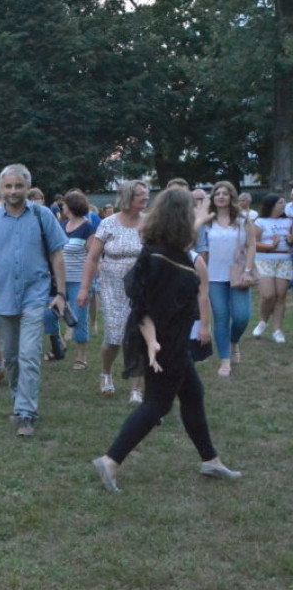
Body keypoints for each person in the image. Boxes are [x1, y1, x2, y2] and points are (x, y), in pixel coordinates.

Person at [92, 188, 242, 492]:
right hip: (165, 344)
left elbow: (181, 244)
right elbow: (142, 306)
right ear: (180, 219)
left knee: (193, 394)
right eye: (190, 213)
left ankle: (210, 460)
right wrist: (152, 342)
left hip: (171, 341)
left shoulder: (164, 249)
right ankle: (110, 461)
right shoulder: (164, 260)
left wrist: (199, 220)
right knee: (157, 404)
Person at [0, 164, 66, 436]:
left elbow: (57, 255)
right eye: (8, 186)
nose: (13, 191)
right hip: (2, 298)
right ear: (1, 188)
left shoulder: (42, 215)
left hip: (34, 296)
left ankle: (26, 412)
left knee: (29, 354)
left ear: (28, 187)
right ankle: (17, 398)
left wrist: (61, 294)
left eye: (19, 186)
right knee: (11, 357)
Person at [78, 180, 149, 402]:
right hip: (112, 287)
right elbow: (92, 258)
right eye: (140, 195)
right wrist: (84, 288)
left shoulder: (149, 223)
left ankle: (136, 388)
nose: (145, 198)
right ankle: (106, 372)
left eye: (146, 194)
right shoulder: (108, 223)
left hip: (141, 288)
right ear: (128, 197)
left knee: (141, 336)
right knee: (114, 337)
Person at [196, 180, 257, 376]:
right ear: (213, 198)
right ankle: (225, 360)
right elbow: (200, 248)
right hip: (213, 276)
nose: (221, 196)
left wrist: (247, 270)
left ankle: (234, 342)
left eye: (225, 193)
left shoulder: (242, 219)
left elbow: (252, 245)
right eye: (217, 193)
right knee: (221, 317)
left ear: (231, 197)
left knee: (242, 317)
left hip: (238, 274)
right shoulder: (207, 221)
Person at [45, 190, 95, 370]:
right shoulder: (62, 225)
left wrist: (89, 283)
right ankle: (59, 345)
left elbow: (92, 257)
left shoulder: (88, 228)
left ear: (71, 206)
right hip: (60, 280)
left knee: (79, 318)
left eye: (64, 204)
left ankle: (81, 357)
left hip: (79, 281)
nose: (62, 207)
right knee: (49, 314)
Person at [251, 193, 292, 343]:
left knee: (281, 295)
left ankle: (277, 330)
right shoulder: (260, 221)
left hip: (284, 260)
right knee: (268, 295)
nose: (284, 205)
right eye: (281, 203)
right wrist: (270, 246)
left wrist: (290, 240)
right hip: (264, 260)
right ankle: (263, 321)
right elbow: (253, 243)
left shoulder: (289, 221)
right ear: (272, 205)